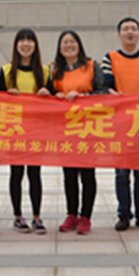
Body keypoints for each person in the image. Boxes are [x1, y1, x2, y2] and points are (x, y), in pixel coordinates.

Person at [101, 17, 139, 231]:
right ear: (119, 35)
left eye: (134, 29)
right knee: (121, 174)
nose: (130, 32)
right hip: (119, 124)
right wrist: (113, 94)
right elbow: (105, 85)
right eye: (126, 29)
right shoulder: (110, 58)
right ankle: (124, 215)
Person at [49, 30, 107, 235]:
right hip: (65, 129)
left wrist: (84, 96)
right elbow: (48, 95)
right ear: (59, 48)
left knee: (87, 174)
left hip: (88, 128)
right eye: (65, 42)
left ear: (79, 45)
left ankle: (86, 216)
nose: (69, 45)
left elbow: (103, 91)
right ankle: (71, 214)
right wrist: (54, 95)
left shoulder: (92, 66)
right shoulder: (55, 70)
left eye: (72, 42)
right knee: (69, 174)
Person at [0, 28, 51, 234]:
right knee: (16, 173)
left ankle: (37, 217)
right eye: (22, 40)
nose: (26, 44)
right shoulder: (5, 71)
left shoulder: (45, 71)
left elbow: (54, 102)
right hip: (14, 131)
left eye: (30, 40)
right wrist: (6, 96)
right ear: (16, 45)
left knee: (35, 174)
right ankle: (18, 216)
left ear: (35, 45)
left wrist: (47, 93)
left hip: (36, 130)